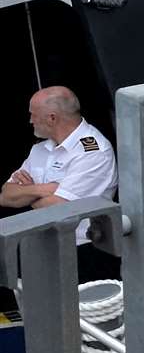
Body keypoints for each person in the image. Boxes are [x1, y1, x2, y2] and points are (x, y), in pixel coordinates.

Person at [2, 87, 120, 282]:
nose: (30, 120)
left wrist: (29, 195)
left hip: (84, 253)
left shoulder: (92, 152)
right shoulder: (41, 149)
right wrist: (45, 189)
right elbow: (6, 195)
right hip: (43, 249)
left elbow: (59, 207)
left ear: (52, 118)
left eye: (33, 114)